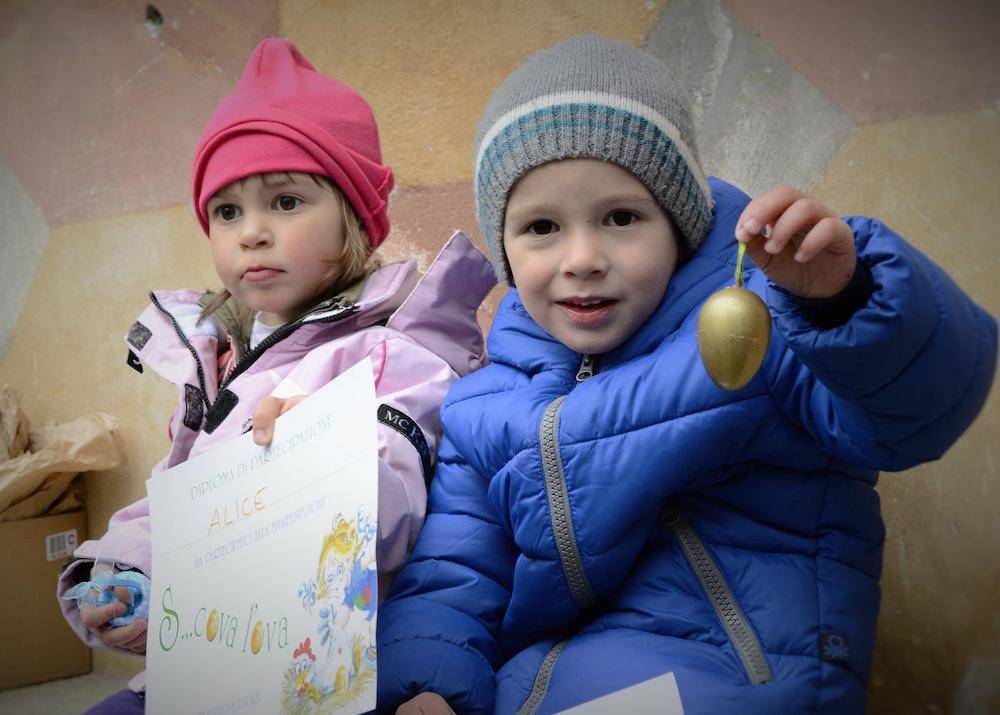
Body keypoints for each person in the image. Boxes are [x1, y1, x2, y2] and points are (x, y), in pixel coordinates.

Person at [374, 35, 998, 714]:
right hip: (541, 686)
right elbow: (453, 572)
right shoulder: (485, 404)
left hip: (737, 673)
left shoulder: (759, 321)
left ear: (680, 224)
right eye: (542, 227)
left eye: (620, 217)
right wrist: (429, 682)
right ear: (504, 246)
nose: (581, 256)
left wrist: (845, 301)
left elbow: (913, 415)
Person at [56, 38, 495, 714]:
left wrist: (317, 463)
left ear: (354, 219)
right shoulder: (216, 359)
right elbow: (176, 503)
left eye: (285, 202)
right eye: (227, 211)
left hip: (325, 669)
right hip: (209, 665)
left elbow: (393, 504)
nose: (251, 232)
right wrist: (122, 579)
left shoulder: (384, 351)